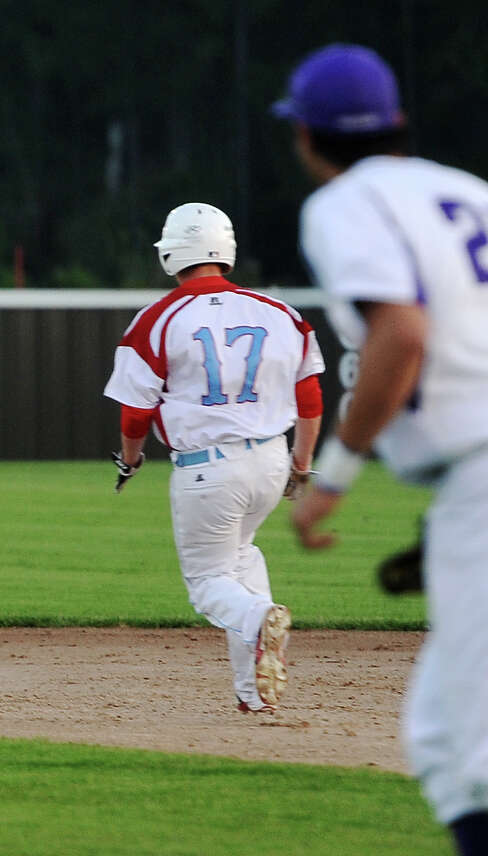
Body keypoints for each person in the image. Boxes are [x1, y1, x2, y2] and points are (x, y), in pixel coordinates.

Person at [276, 43, 488, 853]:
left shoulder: (344, 206)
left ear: (304, 136)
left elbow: (401, 333)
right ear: (397, 123)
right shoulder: (465, 189)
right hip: (472, 475)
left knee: (456, 748)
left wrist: (334, 473)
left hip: (479, 470)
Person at [104, 202, 325, 714]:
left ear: (171, 253)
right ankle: (255, 695)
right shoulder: (280, 312)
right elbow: (310, 396)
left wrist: (130, 462)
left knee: (207, 585)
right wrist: (301, 464)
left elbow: (136, 415)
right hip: (271, 459)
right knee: (241, 556)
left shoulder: (157, 319)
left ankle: (259, 618)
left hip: (208, 467)